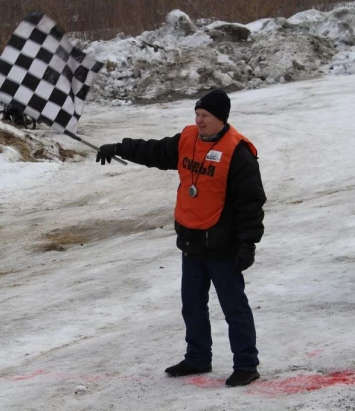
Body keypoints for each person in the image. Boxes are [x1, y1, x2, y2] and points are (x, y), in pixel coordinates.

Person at [96, 89, 266, 387]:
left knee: (234, 308)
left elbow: (251, 204)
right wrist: (119, 147)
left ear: (221, 119)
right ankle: (198, 357)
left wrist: (247, 245)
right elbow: (155, 151)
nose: (199, 121)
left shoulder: (238, 153)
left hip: (223, 245)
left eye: (205, 116)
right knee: (192, 304)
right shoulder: (187, 139)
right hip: (192, 241)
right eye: (197, 115)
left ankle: (246, 364)